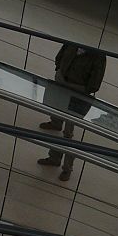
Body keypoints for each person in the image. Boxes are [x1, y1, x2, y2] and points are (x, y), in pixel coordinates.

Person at [38, 42, 106, 182]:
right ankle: (54, 154)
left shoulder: (97, 55)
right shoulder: (73, 42)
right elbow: (61, 53)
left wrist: (85, 91)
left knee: (69, 135)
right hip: (62, 80)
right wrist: (59, 68)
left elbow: (96, 78)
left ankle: (67, 169)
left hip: (78, 90)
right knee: (56, 109)